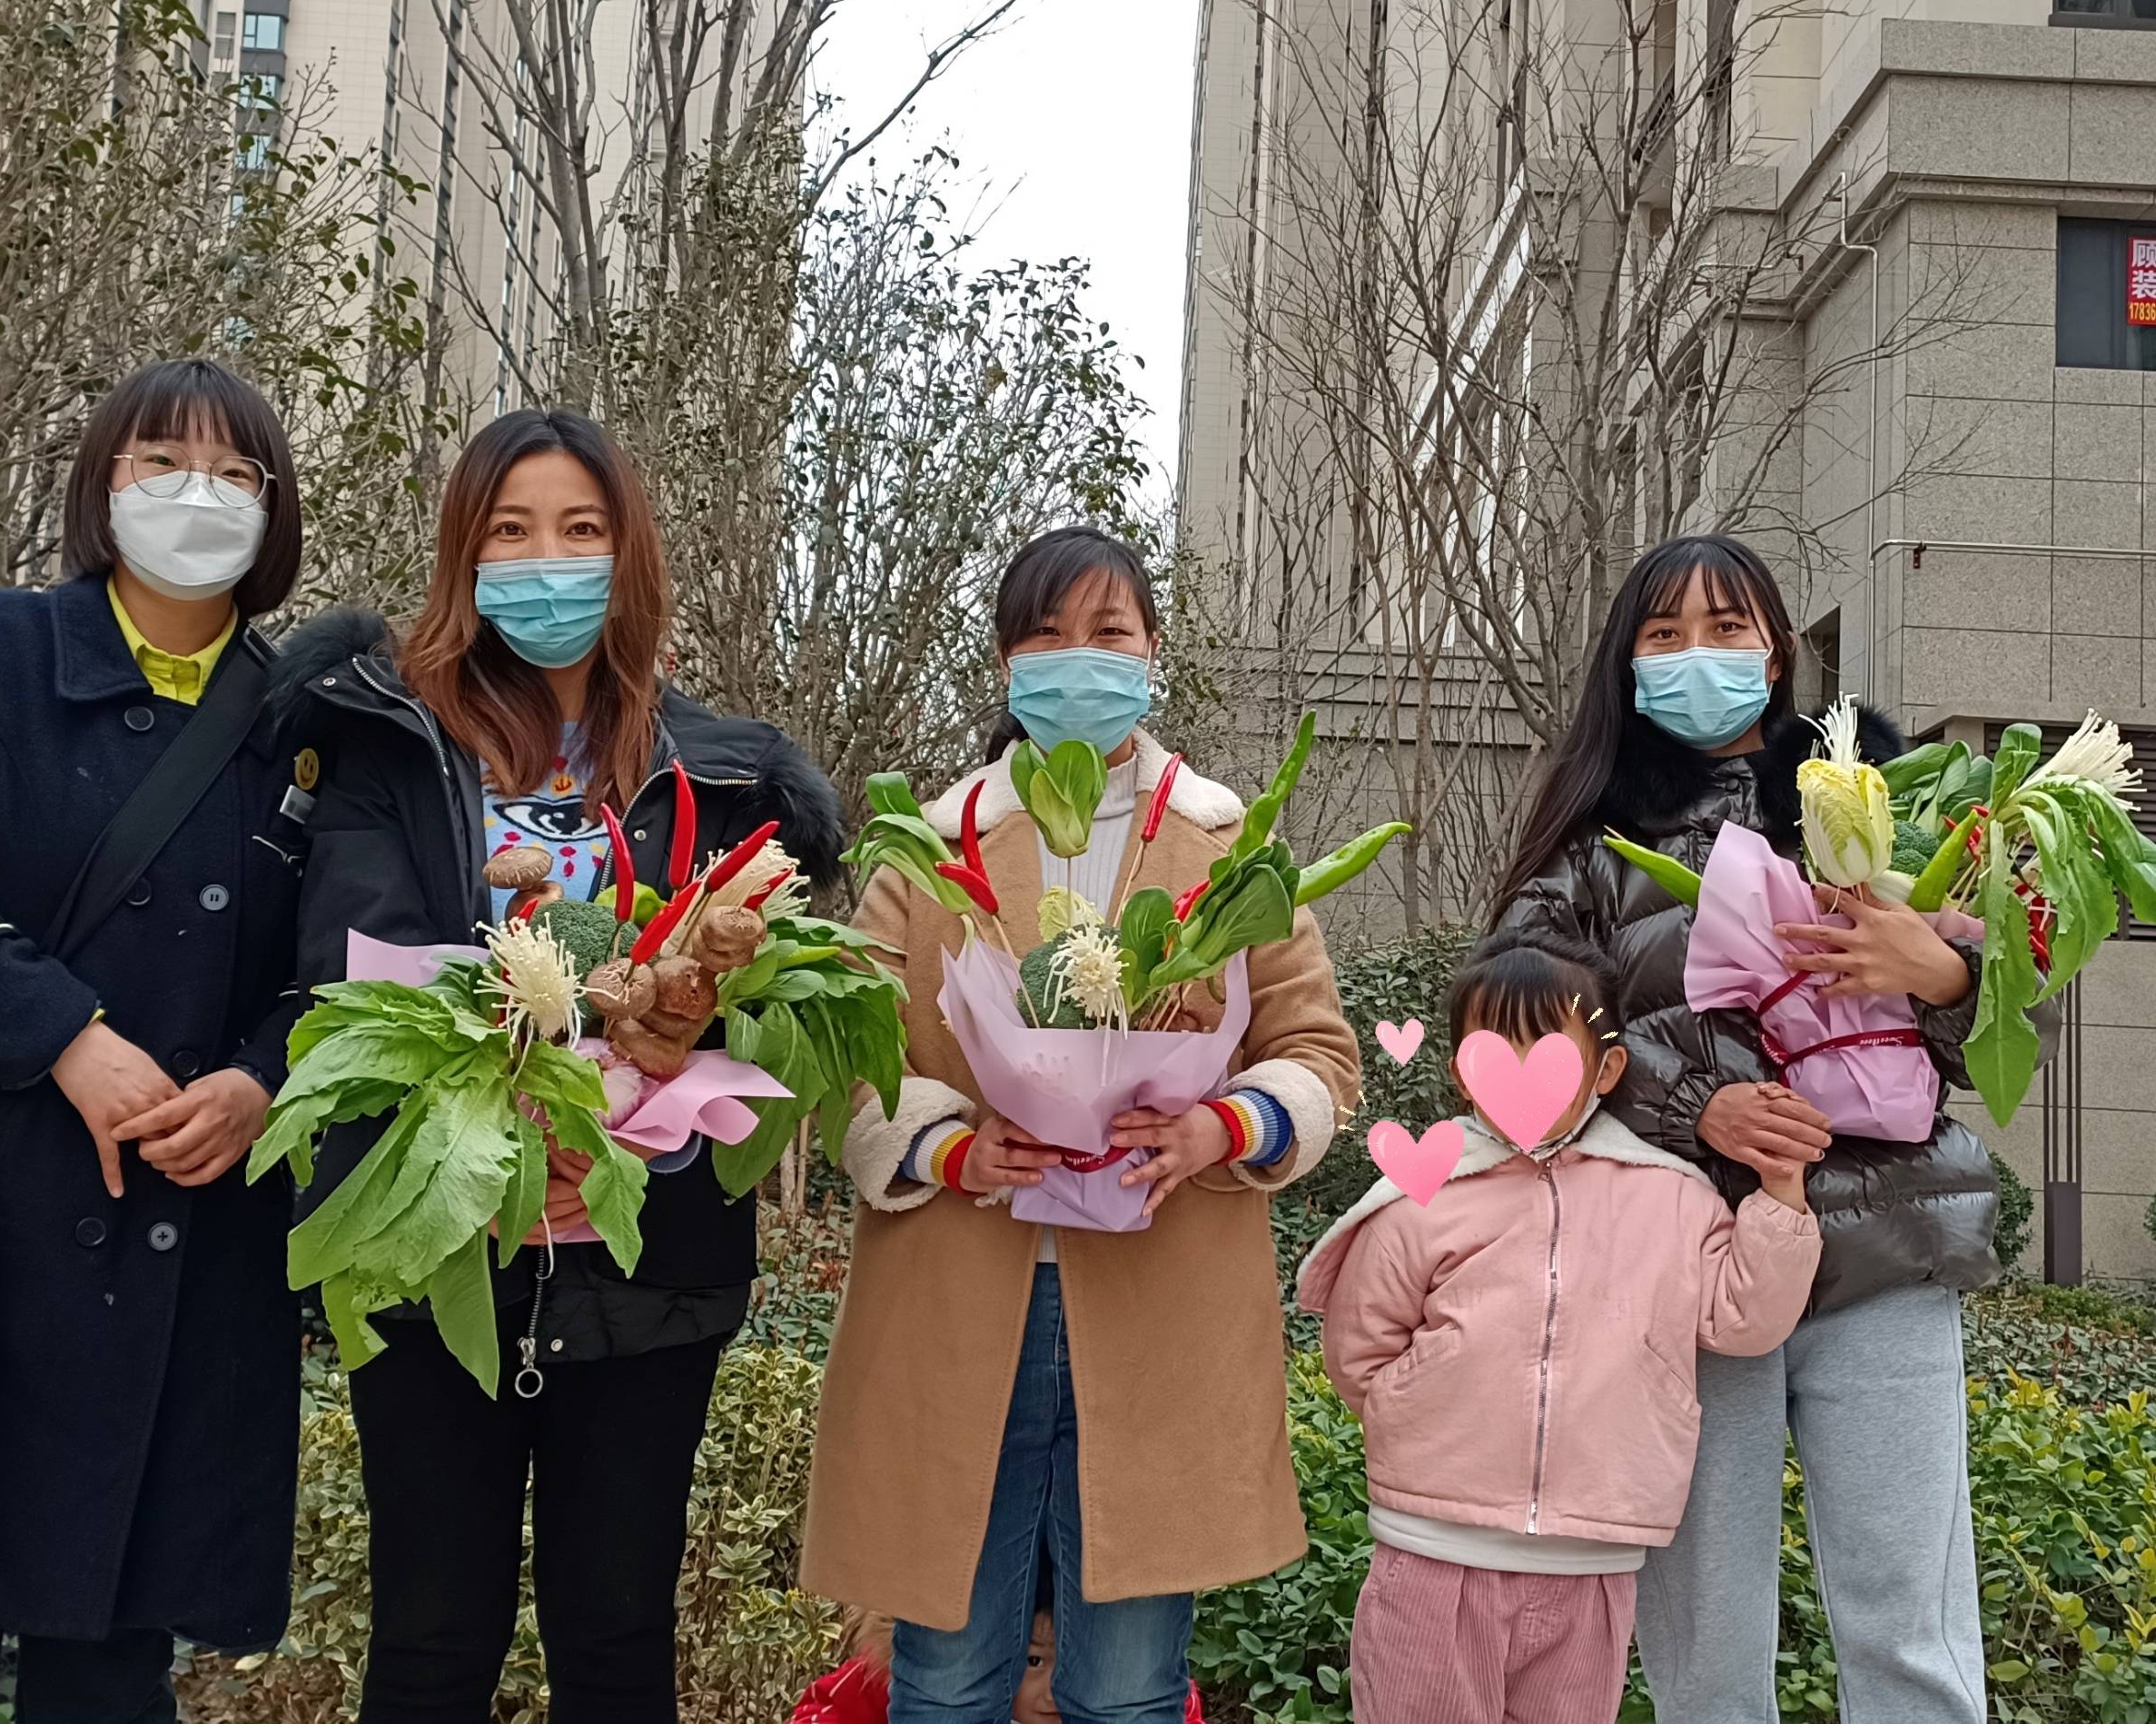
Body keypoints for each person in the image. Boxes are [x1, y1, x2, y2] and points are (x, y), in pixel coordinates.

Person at [286, 407, 844, 1724]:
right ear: (464, 561)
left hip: (648, 1266)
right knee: (430, 1635)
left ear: (629, 555)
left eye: (581, 532)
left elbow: (767, 1001)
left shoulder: (721, 768)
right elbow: (344, 970)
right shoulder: (386, 745)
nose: (550, 562)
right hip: (435, 1254)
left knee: (615, 1637)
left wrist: (685, 1038)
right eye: (511, 533)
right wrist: (510, 1107)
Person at [801, 527, 1362, 1724]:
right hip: (958, 1297)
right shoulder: (929, 847)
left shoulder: (1229, 843)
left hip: (1160, 1302)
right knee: (945, 1675)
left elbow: (1317, 1055)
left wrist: (1219, 1129)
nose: (1077, 662)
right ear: (1005, 663)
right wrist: (955, 1146)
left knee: (1128, 1683)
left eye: (1108, 634)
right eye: (1045, 636)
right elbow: (850, 1056)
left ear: (1153, 652)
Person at [1489, 532, 2045, 1722]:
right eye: (1666, 635)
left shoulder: (1876, 798)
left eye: (1728, 628)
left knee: (1913, 1635)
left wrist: (1943, 970)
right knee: (1705, 1654)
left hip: (1886, 1244)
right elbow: (1511, 1038)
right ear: (1627, 666)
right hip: (1684, 1269)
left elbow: (2016, 1016)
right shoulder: (1589, 840)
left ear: (1778, 649)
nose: (1701, 656)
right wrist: (1694, 1103)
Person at [0, 358, 315, 1721]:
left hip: (179, 1242)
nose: (195, 494)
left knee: (109, 1661)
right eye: (159, 462)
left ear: (273, 514)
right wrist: (62, 1034)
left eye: (234, 473)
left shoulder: (309, 728)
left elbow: (339, 973)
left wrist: (259, 1085)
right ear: (103, 486)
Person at [1298, 930, 1823, 1724]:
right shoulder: (1421, 1200)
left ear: (1607, 1067)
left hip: (1595, 1560)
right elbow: (1362, 1346)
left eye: (1545, 1044)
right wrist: (1421, 1405)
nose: (1516, 1067)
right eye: (1489, 1046)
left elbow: (1744, 1317)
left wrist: (1781, 1194)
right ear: (1459, 1073)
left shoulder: (1670, 1199)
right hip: (1435, 1549)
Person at [791, 1598, 1210, 1724]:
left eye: (1076, 1661)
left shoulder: (1132, 1699)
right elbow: (820, 1714)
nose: (1055, 1689)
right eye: (1032, 1662)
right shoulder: (895, 1685)